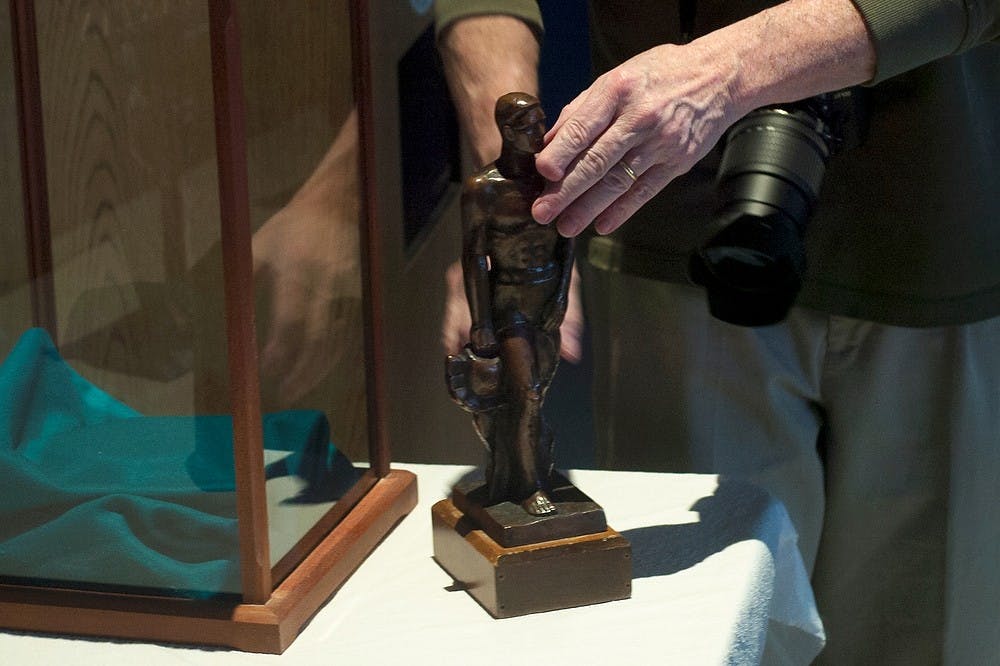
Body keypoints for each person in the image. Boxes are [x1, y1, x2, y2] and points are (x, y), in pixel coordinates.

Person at [436, 1, 999, 663]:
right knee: (693, 633)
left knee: (923, 641)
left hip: (938, 239)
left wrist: (729, 71)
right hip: (668, 232)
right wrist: (518, 183)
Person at [447, 92, 574, 516]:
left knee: (532, 395)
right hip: (510, 303)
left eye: (542, 122)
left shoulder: (551, 177)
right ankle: (529, 487)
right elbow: (474, 257)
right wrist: (481, 320)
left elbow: (567, 239)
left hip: (546, 299)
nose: (540, 133)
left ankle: (521, 468)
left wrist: (561, 295)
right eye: (529, 127)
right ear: (505, 131)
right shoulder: (483, 189)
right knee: (529, 393)